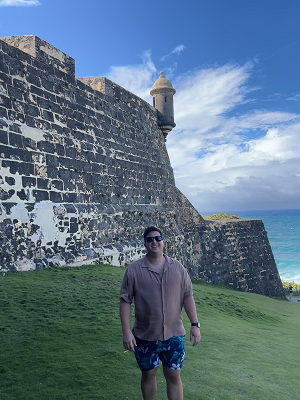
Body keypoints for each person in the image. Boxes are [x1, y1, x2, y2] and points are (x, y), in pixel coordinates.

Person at [119, 226, 201, 400]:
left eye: (157, 238)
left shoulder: (178, 268)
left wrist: (194, 324)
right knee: (148, 375)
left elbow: (187, 296)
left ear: (163, 241)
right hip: (145, 335)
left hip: (174, 335)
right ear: (145, 244)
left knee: (174, 377)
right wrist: (126, 331)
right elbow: (125, 300)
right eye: (149, 239)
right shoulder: (134, 270)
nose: (154, 242)